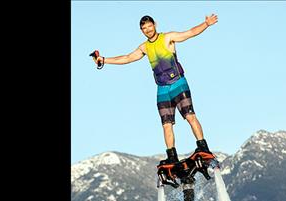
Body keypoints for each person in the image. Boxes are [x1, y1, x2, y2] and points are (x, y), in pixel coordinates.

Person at [92, 14, 218, 164]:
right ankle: (172, 156)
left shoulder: (167, 37)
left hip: (178, 83)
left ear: (155, 25)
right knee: (166, 124)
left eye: (149, 26)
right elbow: (127, 58)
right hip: (162, 89)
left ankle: (203, 147)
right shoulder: (145, 47)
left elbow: (190, 33)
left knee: (190, 116)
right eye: (144, 28)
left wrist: (206, 24)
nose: (147, 30)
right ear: (141, 30)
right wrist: (105, 60)